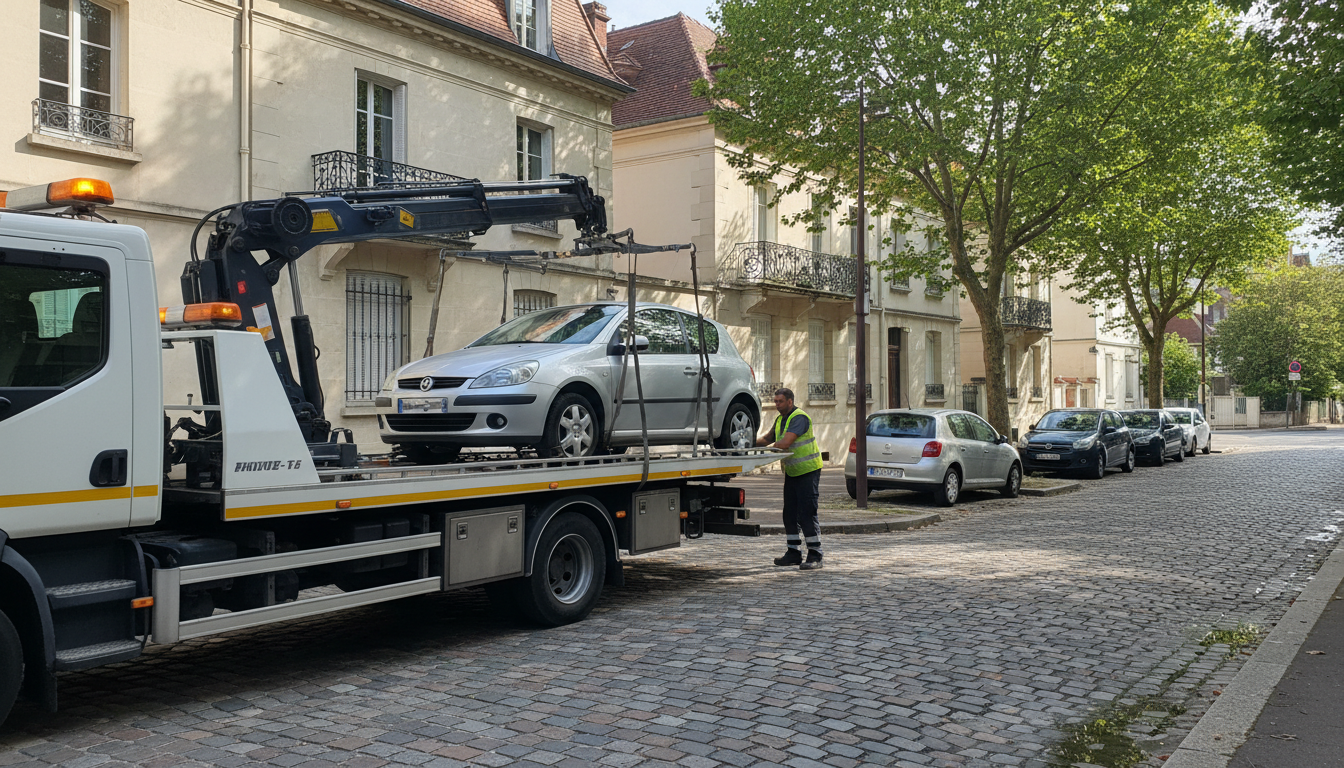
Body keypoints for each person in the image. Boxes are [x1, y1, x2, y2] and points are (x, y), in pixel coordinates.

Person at [756, 387, 824, 570]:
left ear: (790, 402)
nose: (776, 404)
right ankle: (793, 552)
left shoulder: (799, 418)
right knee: (789, 514)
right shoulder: (780, 420)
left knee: (807, 514)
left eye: (779, 401)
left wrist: (769, 448)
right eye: (775, 401)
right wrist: (746, 444)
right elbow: (767, 438)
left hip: (808, 472)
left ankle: (815, 554)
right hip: (793, 473)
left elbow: (785, 443)